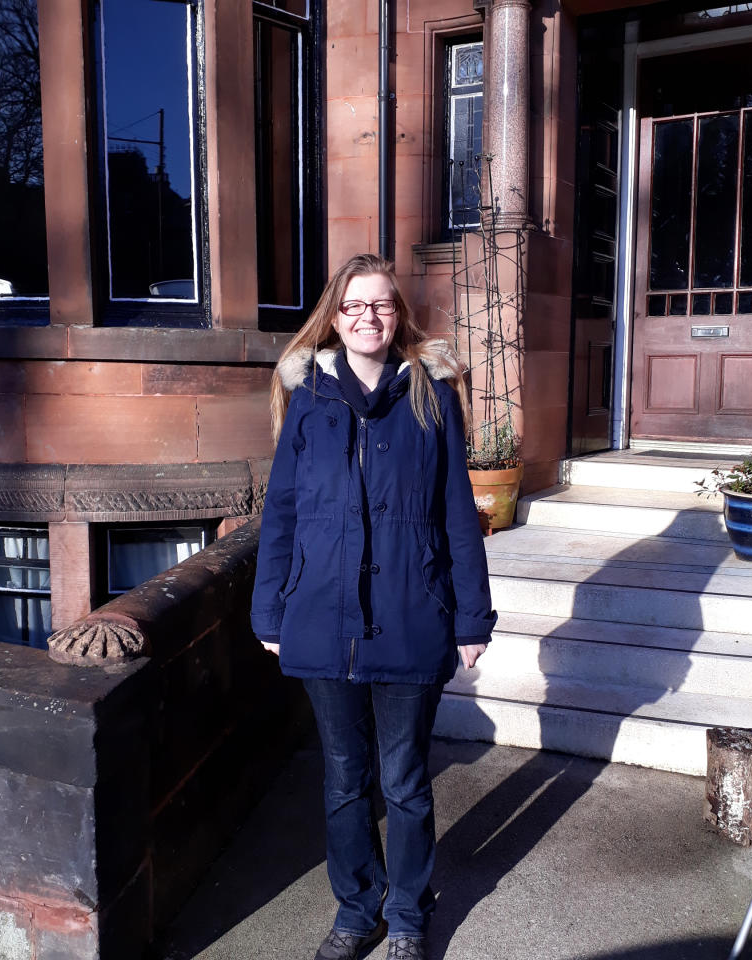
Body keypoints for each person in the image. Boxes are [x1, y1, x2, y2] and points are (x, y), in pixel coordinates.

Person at [251, 253, 496, 960]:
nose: (367, 317)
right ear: (334, 317)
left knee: (405, 782)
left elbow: (457, 514)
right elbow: (283, 514)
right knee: (343, 781)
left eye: (380, 305)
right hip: (322, 621)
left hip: (411, 616)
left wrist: (472, 618)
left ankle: (410, 916)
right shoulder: (309, 400)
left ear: (398, 315)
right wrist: (270, 615)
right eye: (353, 306)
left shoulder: (430, 395)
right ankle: (357, 911)